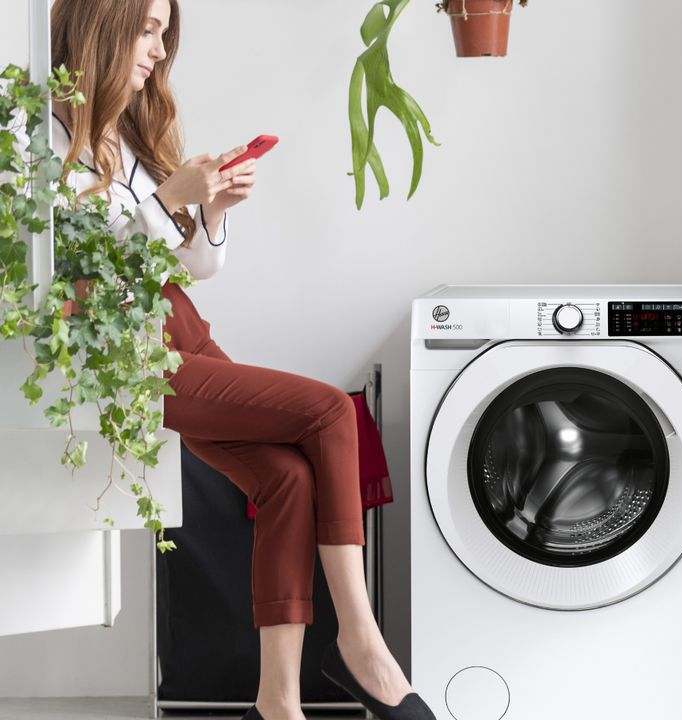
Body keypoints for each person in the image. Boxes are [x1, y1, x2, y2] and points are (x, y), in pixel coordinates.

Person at [38, 1, 434, 719]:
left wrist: (210, 211)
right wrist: (167, 198)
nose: (159, 49)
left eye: (165, 33)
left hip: (182, 330)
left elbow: (189, 266)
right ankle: (362, 644)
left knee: (285, 477)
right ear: (102, 22)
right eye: (149, 29)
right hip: (127, 353)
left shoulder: (125, 133)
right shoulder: (41, 136)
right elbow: (73, 272)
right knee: (324, 410)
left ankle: (277, 702)